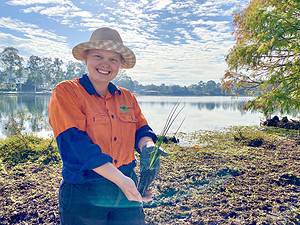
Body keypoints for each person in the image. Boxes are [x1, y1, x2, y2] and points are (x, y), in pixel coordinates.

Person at [48, 27, 162, 225]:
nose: (105, 64)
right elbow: (75, 144)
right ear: (86, 59)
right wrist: (120, 180)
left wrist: (148, 147)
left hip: (126, 183)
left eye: (113, 59)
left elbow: (141, 130)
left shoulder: (127, 97)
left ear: (120, 65)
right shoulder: (66, 92)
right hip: (84, 188)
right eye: (98, 56)